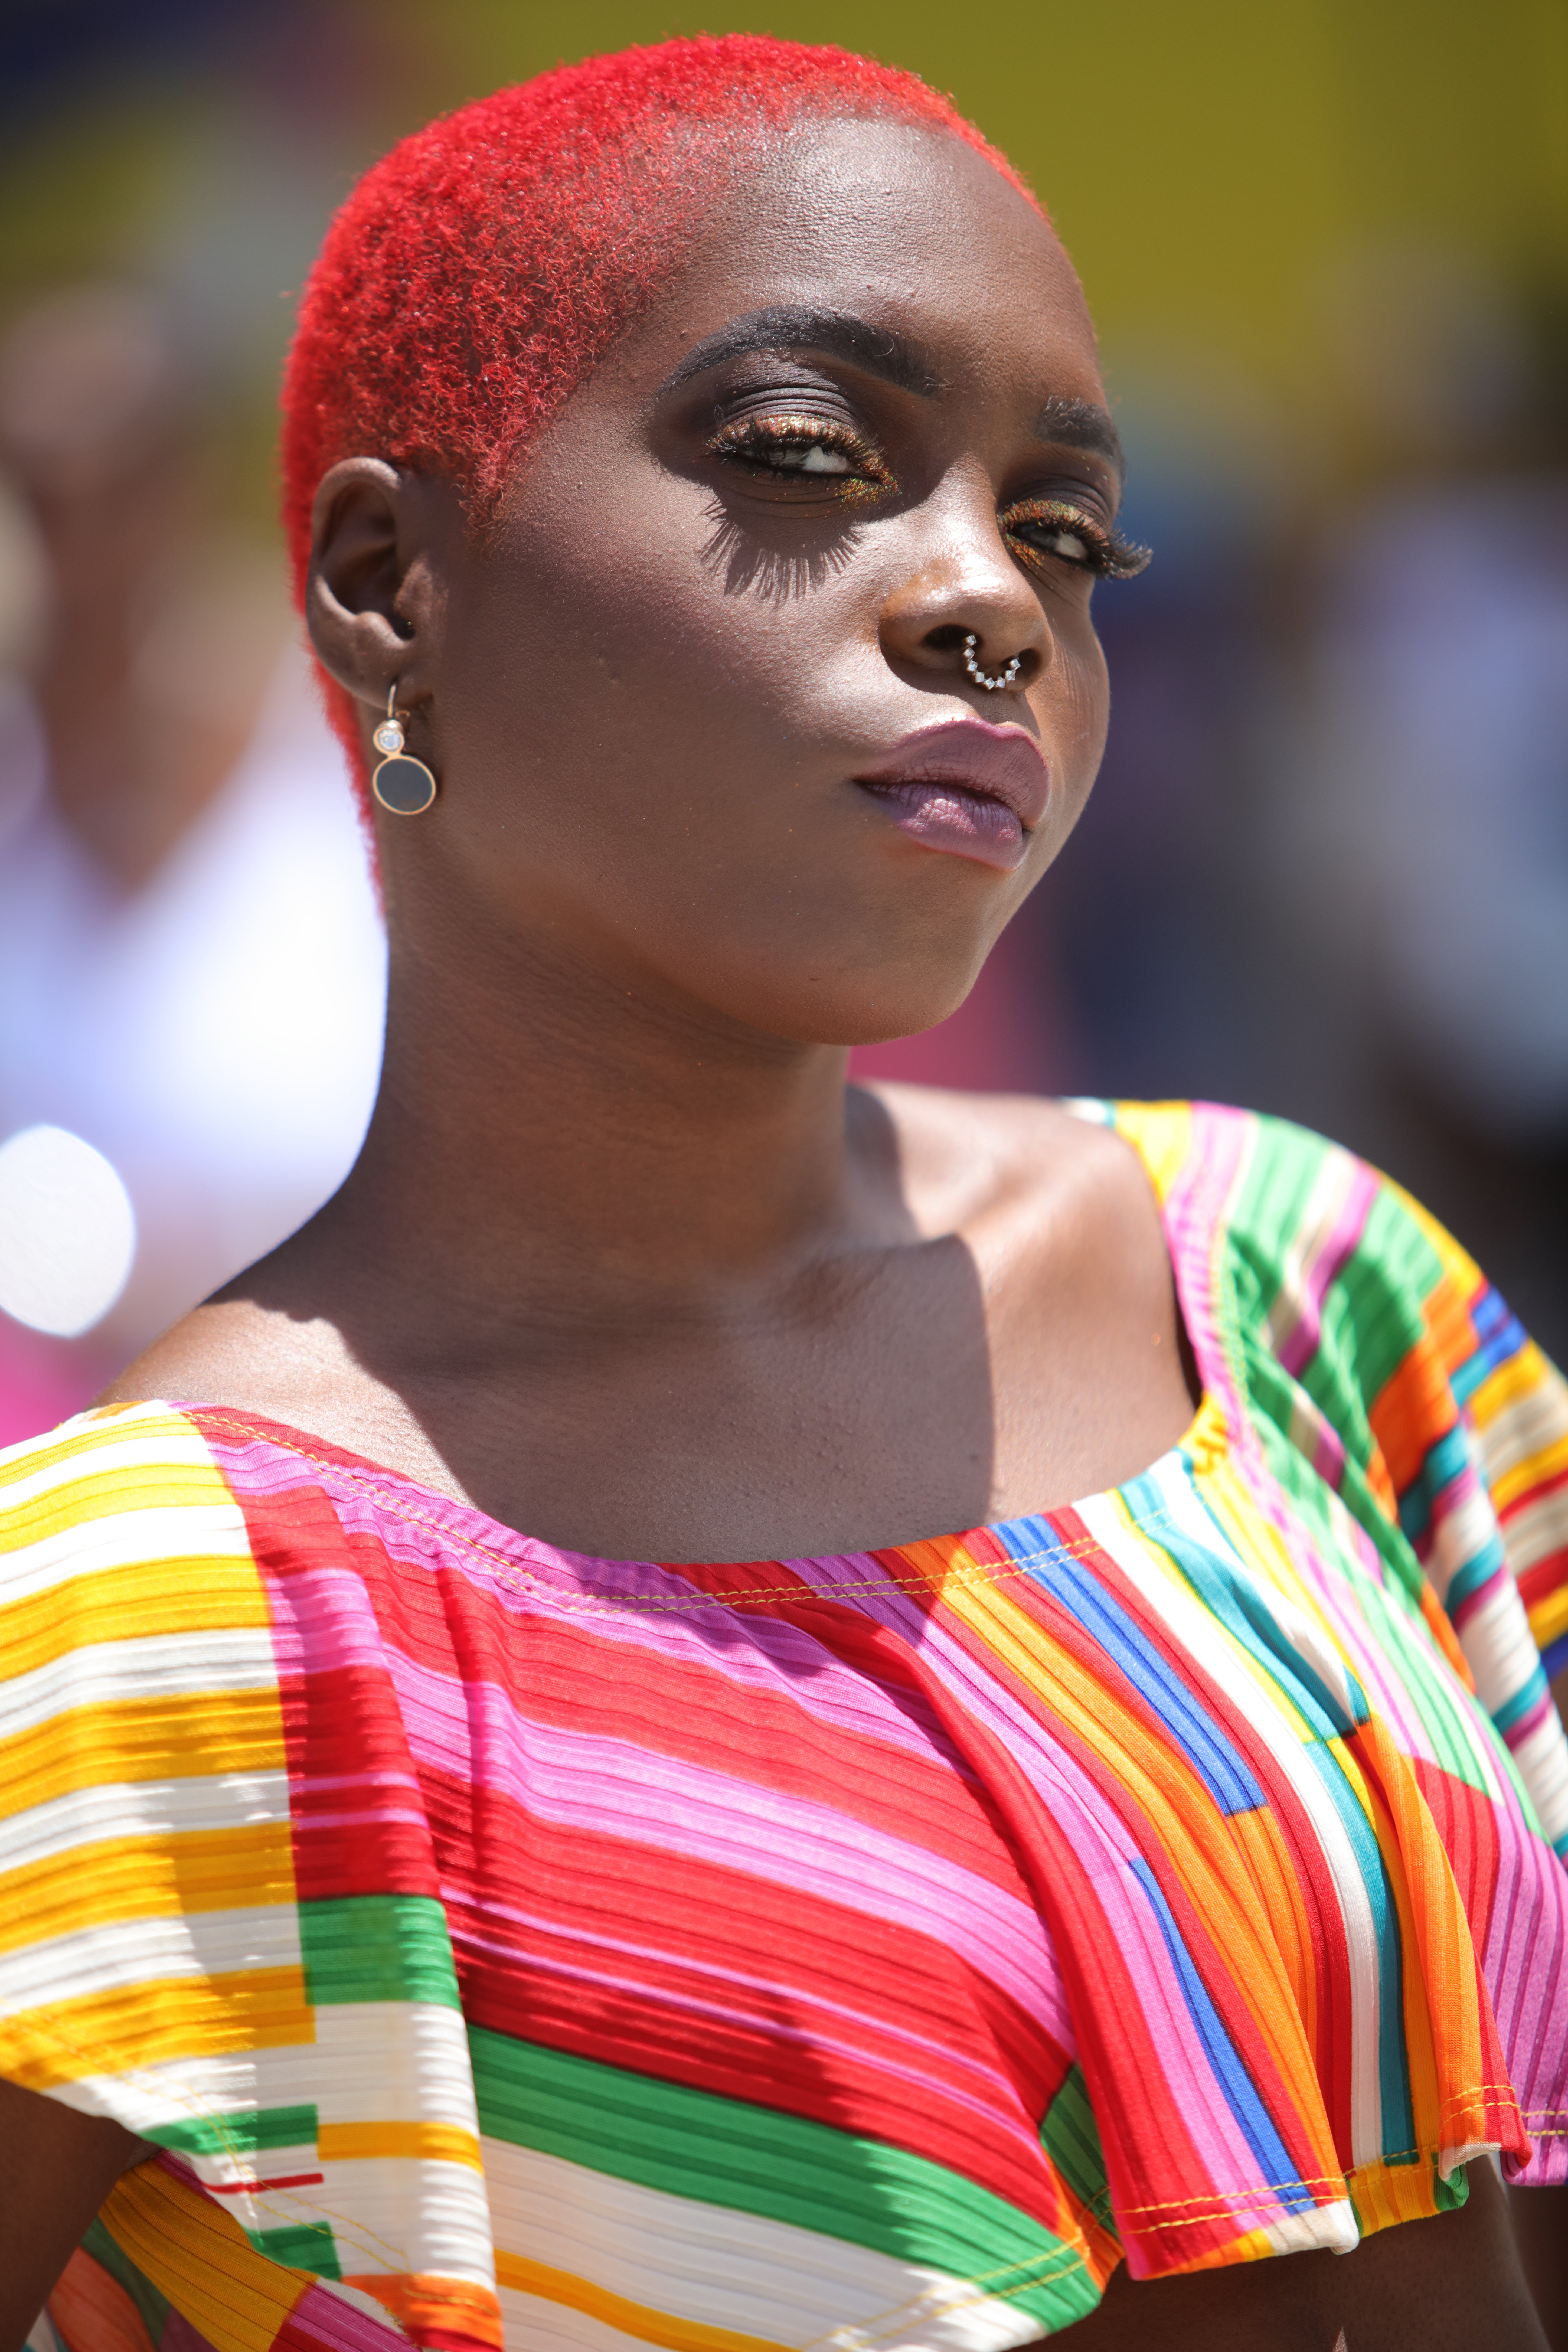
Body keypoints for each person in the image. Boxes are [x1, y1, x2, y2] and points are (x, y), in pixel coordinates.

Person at [1, 37, 1564, 2352]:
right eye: (812, 462)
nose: (989, 605)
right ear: (381, 582)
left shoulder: (1290, 1296)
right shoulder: (170, 1622)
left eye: (1064, 533)